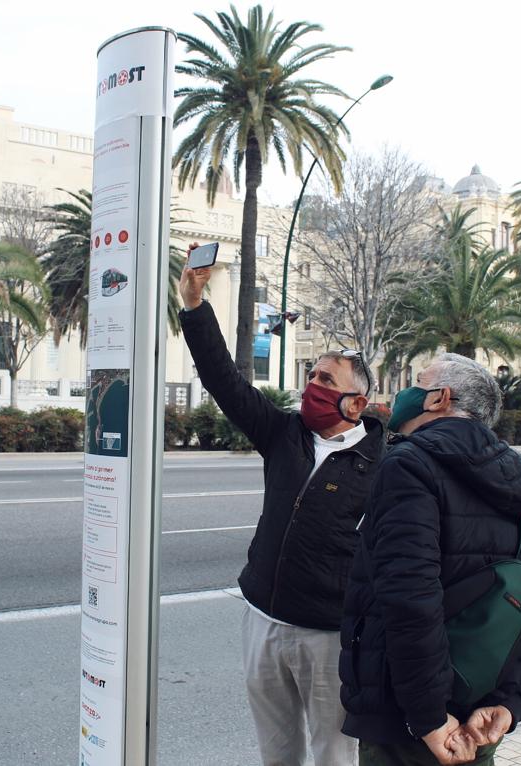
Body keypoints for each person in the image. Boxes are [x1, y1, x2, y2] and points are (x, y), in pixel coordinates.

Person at [178, 246, 386, 766]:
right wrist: (194, 304)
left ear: (356, 403)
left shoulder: (385, 462)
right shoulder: (283, 434)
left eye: (325, 381)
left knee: (334, 754)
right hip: (263, 621)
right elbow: (223, 380)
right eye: (311, 376)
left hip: (329, 637)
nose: (311, 387)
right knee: (276, 753)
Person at [340, 353, 521, 765]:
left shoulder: (408, 465)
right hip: (479, 722)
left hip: (409, 726)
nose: (404, 392)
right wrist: (510, 705)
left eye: (417, 382)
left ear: (439, 398)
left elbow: (410, 601)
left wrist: (429, 720)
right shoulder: (518, 485)